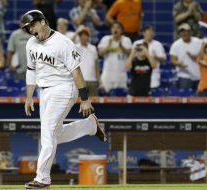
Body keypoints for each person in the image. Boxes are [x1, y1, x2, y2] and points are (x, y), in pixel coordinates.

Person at [20, 10, 107, 189]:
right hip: (43, 92)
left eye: (32, 25)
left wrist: (84, 99)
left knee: (48, 133)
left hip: (63, 89)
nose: (30, 30)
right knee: (54, 134)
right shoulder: (31, 43)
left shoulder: (63, 43)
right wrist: (29, 97)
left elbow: (76, 71)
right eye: (28, 28)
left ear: (42, 22)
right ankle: (89, 125)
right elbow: (31, 70)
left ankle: (42, 179)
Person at [98, 21, 132, 93]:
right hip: (108, 75)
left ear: (122, 30)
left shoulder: (126, 40)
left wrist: (122, 47)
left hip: (121, 75)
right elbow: (100, 53)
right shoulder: (106, 39)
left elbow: (130, 53)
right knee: (106, 98)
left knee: (121, 99)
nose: (115, 29)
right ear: (111, 30)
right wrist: (108, 45)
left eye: (118, 28)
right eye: (113, 27)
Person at [170, 23, 202, 91]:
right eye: (182, 32)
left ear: (190, 32)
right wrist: (179, 64)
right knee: (186, 98)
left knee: (200, 99)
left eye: (185, 31)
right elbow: (173, 59)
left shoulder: (198, 42)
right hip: (184, 75)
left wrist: (196, 57)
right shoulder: (176, 45)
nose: (184, 33)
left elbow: (204, 53)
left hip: (199, 75)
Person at [133, 26, 166, 90]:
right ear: (143, 33)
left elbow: (163, 60)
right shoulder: (137, 44)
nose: (151, 33)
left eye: (152, 31)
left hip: (153, 76)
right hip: (139, 74)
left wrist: (155, 56)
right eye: (149, 31)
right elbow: (132, 59)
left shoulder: (158, 44)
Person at [76, 26, 100, 96]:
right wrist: (76, 32)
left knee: (94, 104)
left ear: (88, 36)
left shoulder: (93, 48)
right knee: (80, 104)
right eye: (81, 35)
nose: (83, 37)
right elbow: (67, 45)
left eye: (85, 35)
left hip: (93, 80)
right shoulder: (75, 47)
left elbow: (96, 66)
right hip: (80, 81)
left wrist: (99, 80)